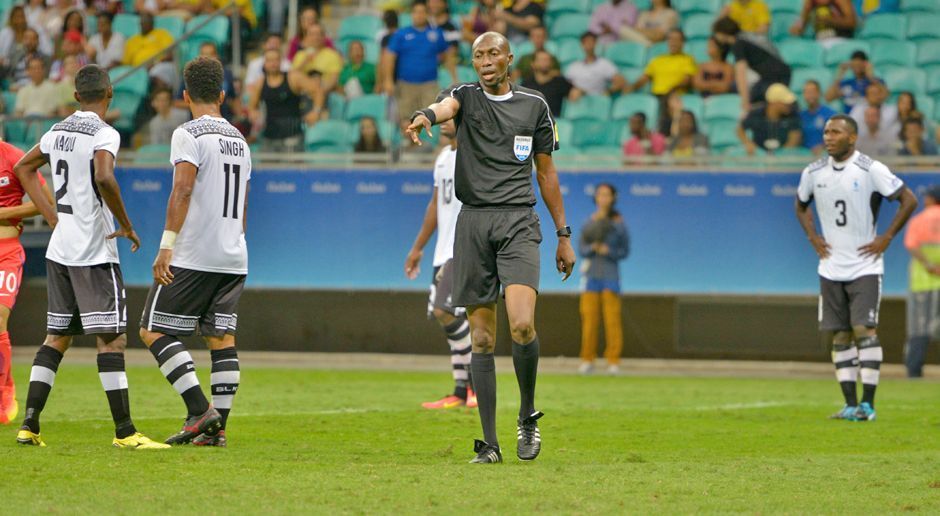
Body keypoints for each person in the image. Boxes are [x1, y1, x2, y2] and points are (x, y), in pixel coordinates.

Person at [406, 32, 575, 464]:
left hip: (519, 220)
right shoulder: (464, 96)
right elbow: (445, 108)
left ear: (509, 59)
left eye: (493, 53)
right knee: (481, 338)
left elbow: (547, 173)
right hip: (474, 222)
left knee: (521, 326)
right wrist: (426, 115)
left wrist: (563, 233)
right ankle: (490, 444)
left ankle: (527, 417)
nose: (485, 60)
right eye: (478, 54)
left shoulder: (534, 106)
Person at [12, 64, 168, 449]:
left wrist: (52, 217)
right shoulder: (104, 132)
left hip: (60, 249)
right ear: (109, 93)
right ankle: (126, 432)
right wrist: (127, 224)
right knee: (112, 341)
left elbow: (23, 167)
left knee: (56, 337)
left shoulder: (57, 130)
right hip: (94, 250)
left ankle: (29, 425)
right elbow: (104, 176)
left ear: (77, 96)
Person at [139, 56, 252, 447]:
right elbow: (243, 207)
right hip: (234, 254)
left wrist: (166, 246)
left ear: (185, 95)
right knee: (220, 339)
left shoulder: (188, 134)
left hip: (195, 254)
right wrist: (233, 244)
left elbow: (182, 189)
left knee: (152, 330)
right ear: (222, 95)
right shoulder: (240, 140)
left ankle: (200, 411)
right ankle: (216, 433)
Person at [795, 113, 917, 422]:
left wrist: (886, 237)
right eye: (826, 132)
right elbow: (800, 205)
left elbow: (909, 199)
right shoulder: (813, 171)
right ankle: (850, 405)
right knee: (840, 334)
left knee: (864, 328)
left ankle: (869, 405)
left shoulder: (870, 168)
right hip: (830, 266)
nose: (828, 137)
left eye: (835, 132)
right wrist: (812, 237)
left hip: (865, 265)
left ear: (852, 138)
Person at [405, 119, 478, 409]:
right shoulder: (444, 158)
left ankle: (475, 386)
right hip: (441, 250)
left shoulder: (474, 157)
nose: (443, 125)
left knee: (444, 311)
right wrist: (418, 248)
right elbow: (436, 205)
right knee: (446, 318)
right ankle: (461, 391)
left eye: (449, 119)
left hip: (463, 249)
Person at [0, 141, 52, 425]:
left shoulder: (15, 158)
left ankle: (4, 393)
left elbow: (45, 203)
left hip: (5, 252)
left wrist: (5, 213)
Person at [578, 183, 629, 375]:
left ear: (613, 198)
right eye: (600, 195)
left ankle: (613, 361)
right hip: (591, 276)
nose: (603, 198)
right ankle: (587, 359)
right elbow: (582, 248)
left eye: (607, 195)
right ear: (596, 198)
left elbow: (625, 251)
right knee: (589, 321)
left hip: (611, 277)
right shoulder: (589, 222)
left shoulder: (618, 224)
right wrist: (593, 248)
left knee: (612, 321)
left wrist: (611, 251)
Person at [385, 1, 456, 134]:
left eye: (422, 12)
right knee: (406, 120)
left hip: (429, 85)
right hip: (406, 85)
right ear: (412, 15)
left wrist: (454, 77)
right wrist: (388, 80)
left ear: (427, 14)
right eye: (416, 12)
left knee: (433, 117)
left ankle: (430, 148)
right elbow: (389, 57)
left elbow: (447, 55)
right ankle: (408, 149)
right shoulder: (401, 34)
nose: (419, 15)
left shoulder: (436, 33)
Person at [713, 17, 791, 113]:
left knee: (756, 104)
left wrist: (745, 101)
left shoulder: (738, 43)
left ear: (722, 33)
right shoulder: (747, 36)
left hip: (774, 77)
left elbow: (741, 72)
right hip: (781, 73)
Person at [903, 185, 940, 378]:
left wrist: (929, 265)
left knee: (919, 329)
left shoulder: (919, 220)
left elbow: (911, 245)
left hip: (922, 283)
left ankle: (914, 371)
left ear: (932, 199)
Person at [248, 48, 308, 152]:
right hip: (269, 136)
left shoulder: (293, 77)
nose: (273, 64)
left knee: (292, 168)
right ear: (264, 63)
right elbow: (252, 107)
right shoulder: (260, 83)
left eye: (276, 60)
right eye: (269, 61)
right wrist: (253, 113)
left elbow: (317, 90)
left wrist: (316, 110)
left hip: (292, 135)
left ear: (281, 61)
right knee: (267, 168)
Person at [627, 29, 696, 98]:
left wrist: (672, 89)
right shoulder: (657, 59)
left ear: (682, 43)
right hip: (655, 96)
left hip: (674, 97)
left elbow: (687, 80)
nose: (673, 42)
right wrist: (632, 87)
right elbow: (644, 79)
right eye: (670, 39)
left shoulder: (688, 60)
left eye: (677, 39)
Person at [738, 83, 802, 155]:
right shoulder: (756, 114)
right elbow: (740, 129)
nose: (789, 105)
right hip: (760, 158)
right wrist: (748, 143)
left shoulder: (792, 115)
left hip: (783, 159)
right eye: (785, 102)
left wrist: (780, 156)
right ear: (774, 102)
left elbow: (794, 139)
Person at [521, 49, 579, 118]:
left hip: (554, 123)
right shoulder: (526, 84)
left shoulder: (560, 82)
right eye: (541, 60)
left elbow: (575, 91)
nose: (545, 63)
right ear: (533, 64)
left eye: (547, 60)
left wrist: (578, 91)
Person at [564, 32, 625, 96]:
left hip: (595, 100)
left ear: (596, 43)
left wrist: (608, 92)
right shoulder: (574, 66)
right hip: (576, 100)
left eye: (591, 41)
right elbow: (565, 85)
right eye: (586, 42)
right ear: (582, 45)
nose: (589, 44)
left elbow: (621, 81)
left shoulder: (604, 64)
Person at [791, 0, 857, 47]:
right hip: (819, 42)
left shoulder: (841, 1)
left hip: (840, 39)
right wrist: (797, 28)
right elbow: (801, 20)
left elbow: (852, 22)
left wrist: (829, 21)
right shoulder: (810, 2)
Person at [800, 79, 837, 155]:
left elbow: (836, 136)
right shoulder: (801, 115)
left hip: (826, 154)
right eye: (806, 92)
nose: (809, 95)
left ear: (819, 93)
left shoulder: (830, 114)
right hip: (804, 157)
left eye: (812, 92)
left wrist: (823, 146)